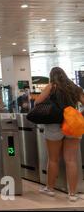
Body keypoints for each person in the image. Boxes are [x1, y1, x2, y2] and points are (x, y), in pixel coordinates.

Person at [37, 67, 84, 201]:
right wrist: (79, 115)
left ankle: (50, 189)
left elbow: (37, 102)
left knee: (53, 159)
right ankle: (73, 194)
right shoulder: (75, 88)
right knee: (71, 160)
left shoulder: (52, 87)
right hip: (72, 125)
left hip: (54, 125)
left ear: (52, 77)